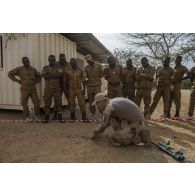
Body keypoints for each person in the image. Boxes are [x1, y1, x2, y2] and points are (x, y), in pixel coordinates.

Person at [8, 57, 41, 122]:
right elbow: (10, 74)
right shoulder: (20, 69)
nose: (27, 62)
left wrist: (36, 81)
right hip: (24, 89)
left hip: (33, 89)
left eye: (28, 61)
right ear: (23, 62)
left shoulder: (33, 69)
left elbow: (39, 76)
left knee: (36, 102)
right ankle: (27, 116)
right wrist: (18, 80)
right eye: (25, 62)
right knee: (24, 103)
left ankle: (37, 116)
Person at [41, 55, 65, 123]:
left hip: (57, 89)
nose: (53, 61)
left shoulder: (59, 67)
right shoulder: (45, 68)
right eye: (51, 60)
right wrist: (55, 75)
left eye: (54, 60)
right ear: (48, 60)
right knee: (47, 103)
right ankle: (46, 119)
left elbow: (61, 75)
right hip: (48, 89)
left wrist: (49, 75)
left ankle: (60, 118)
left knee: (58, 103)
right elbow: (44, 76)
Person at [64, 58, 89, 122]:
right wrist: (66, 90)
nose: (73, 65)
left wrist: (84, 89)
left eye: (74, 63)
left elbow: (84, 80)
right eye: (72, 64)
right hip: (71, 89)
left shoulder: (80, 70)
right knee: (71, 103)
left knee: (82, 103)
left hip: (79, 89)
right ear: (70, 63)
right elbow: (65, 81)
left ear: (76, 63)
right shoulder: (67, 70)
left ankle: (84, 117)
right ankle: (72, 117)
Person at [52, 53, 70, 120]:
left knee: (70, 100)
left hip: (67, 85)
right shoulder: (56, 64)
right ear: (59, 59)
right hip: (58, 85)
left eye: (63, 59)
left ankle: (72, 115)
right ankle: (55, 115)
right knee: (57, 100)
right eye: (60, 59)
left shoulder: (69, 64)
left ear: (65, 58)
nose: (62, 61)